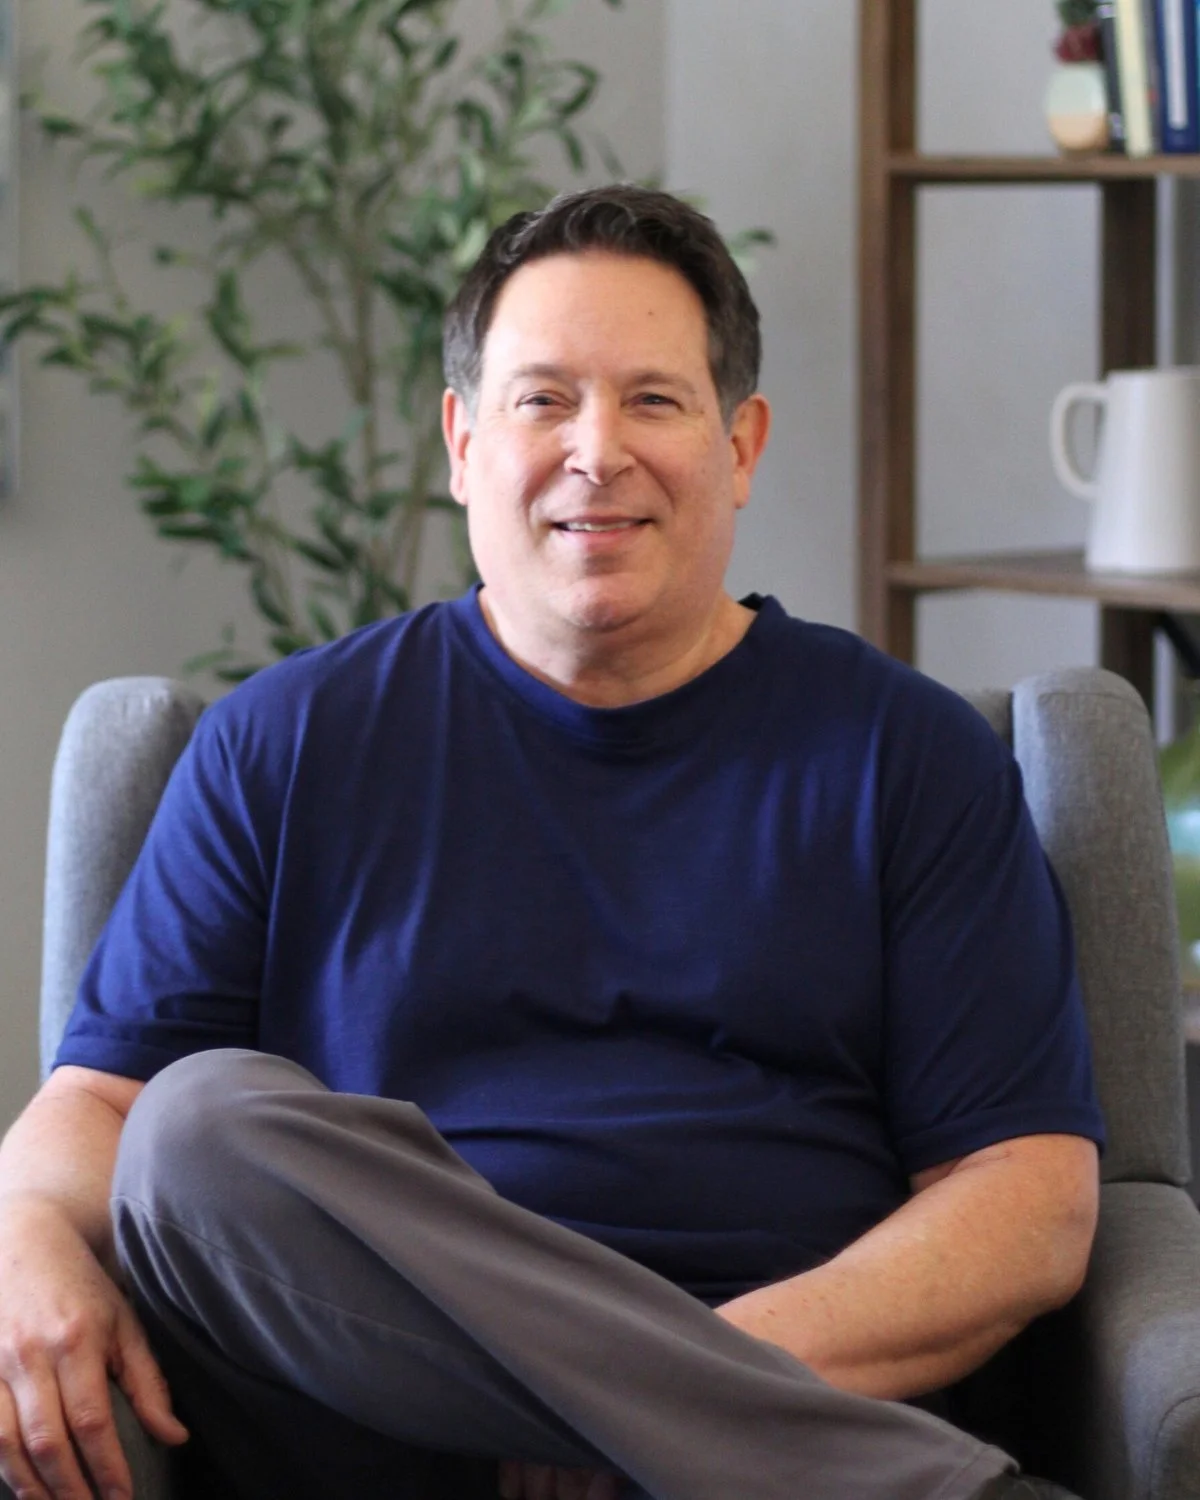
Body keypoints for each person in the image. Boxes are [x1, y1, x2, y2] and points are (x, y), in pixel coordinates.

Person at [0, 185, 1103, 1500]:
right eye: (543, 401)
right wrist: (22, 1230)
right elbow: (101, 1108)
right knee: (195, 1129)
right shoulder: (280, 743)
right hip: (373, 1434)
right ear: (464, 443)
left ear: (741, 445)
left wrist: (690, 1394)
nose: (597, 451)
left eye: (654, 400)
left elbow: (1028, 1200)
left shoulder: (910, 755)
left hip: (772, 1434)